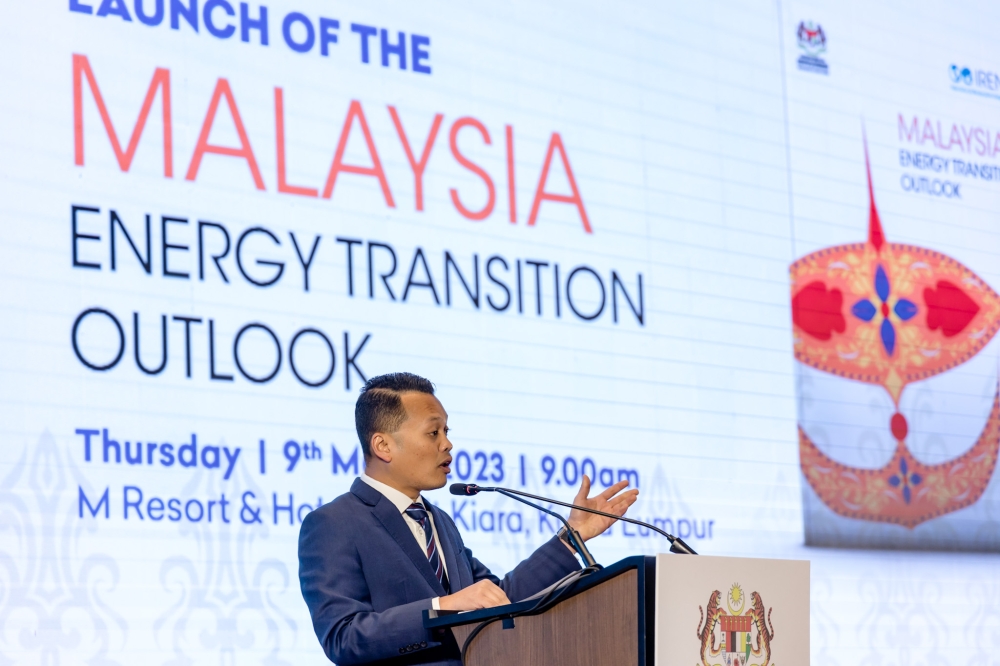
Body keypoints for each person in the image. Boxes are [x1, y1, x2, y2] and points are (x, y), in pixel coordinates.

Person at [298, 372, 639, 665]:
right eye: (434, 433)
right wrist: (441, 607)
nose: (448, 444)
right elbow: (343, 637)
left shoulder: (440, 522)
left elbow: (497, 597)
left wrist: (571, 536)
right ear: (383, 446)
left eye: (447, 431)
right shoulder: (334, 523)